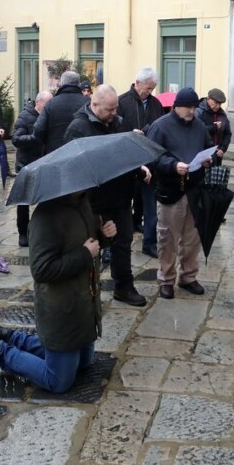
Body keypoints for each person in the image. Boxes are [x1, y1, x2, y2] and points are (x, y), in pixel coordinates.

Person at [0, 189, 113, 393]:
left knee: (84, 363)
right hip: (62, 310)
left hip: (83, 307)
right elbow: (41, 269)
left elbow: (90, 243)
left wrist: (105, 236)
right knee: (58, 381)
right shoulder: (45, 216)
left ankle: (11, 337)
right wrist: (84, 254)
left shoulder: (84, 202)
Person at [64, 85, 149, 307]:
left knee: (123, 242)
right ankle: (85, 289)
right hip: (92, 202)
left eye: (115, 108)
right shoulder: (78, 128)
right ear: (94, 105)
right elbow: (72, 167)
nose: (114, 113)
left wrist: (138, 169)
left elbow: (122, 156)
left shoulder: (118, 124)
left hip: (120, 197)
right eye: (109, 109)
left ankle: (124, 286)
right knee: (92, 245)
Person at [145, 87, 213, 299]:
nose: (192, 111)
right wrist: (173, 165)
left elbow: (208, 146)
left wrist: (209, 158)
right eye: (188, 107)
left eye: (194, 107)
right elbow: (152, 157)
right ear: (176, 106)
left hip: (194, 189)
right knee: (167, 238)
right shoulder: (160, 126)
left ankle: (188, 277)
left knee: (193, 238)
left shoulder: (200, 126)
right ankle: (166, 279)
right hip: (170, 190)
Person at [119, 67, 165, 257]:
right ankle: (123, 237)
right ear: (137, 83)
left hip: (150, 160)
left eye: (153, 89)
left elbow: (161, 127)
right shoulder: (122, 102)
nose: (150, 92)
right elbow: (114, 130)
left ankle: (149, 243)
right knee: (124, 203)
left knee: (150, 205)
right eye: (148, 88)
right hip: (127, 161)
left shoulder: (156, 104)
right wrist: (130, 133)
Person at [12, 90, 52, 248]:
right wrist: (35, 138)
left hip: (43, 163)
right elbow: (16, 139)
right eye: (47, 104)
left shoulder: (47, 116)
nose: (49, 107)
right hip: (26, 165)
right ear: (38, 103)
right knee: (23, 201)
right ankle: (23, 233)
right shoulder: (25, 116)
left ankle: (44, 231)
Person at [34, 71, 88, 156]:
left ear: (61, 83)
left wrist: (48, 144)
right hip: (81, 154)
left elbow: (38, 130)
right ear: (79, 83)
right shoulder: (88, 103)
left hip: (55, 154)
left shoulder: (51, 103)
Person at [196, 88, 233, 165]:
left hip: (217, 156)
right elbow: (196, 131)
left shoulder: (222, 115)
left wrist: (223, 148)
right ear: (208, 99)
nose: (218, 106)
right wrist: (214, 128)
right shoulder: (199, 112)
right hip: (203, 156)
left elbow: (227, 133)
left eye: (220, 104)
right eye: (216, 103)